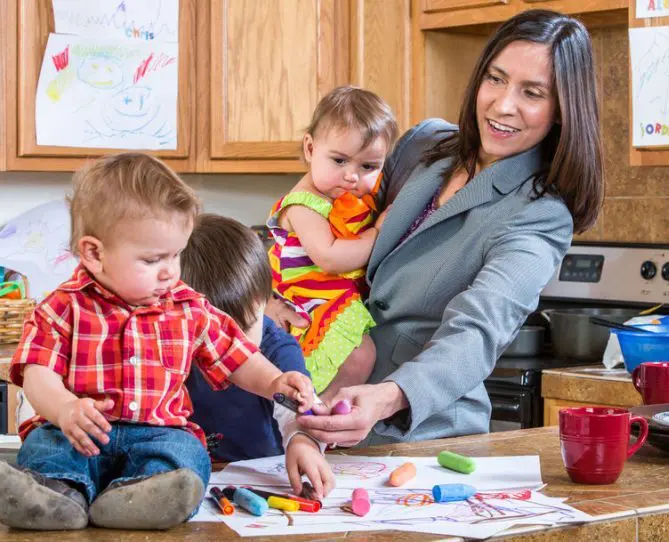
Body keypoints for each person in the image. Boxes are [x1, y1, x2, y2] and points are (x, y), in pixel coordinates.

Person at [268, 10, 604, 447]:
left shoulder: (539, 214)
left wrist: (388, 397)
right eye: (496, 79)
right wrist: (269, 300)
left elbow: (476, 334)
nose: (503, 105)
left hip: (419, 436)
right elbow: (319, 204)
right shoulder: (423, 144)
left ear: (561, 111)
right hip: (324, 400)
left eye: (532, 93)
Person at [0, 153, 321, 532]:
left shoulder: (189, 307)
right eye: (153, 259)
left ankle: (137, 498)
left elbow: (238, 359)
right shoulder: (59, 308)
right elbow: (38, 375)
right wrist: (65, 408)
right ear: (95, 253)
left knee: (186, 453)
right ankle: (57, 495)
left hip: (157, 434)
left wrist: (273, 382)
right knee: (47, 446)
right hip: (80, 432)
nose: (171, 270)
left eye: (176, 255)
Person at [180, 213, 334, 496]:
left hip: (261, 480)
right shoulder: (175, 344)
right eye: (211, 337)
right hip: (193, 481)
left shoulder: (279, 350)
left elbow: (297, 406)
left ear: (266, 299)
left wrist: (302, 441)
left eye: (244, 328)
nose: (229, 347)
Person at [267, 86, 398, 399]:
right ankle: (321, 410)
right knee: (360, 353)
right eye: (340, 160)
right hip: (309, 303)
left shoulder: (348, 198)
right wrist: (378, 233)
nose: (352, 176)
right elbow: (329, 258)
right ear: (310, 149)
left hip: (332, 299)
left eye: (368, 167)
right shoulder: (304, 204)